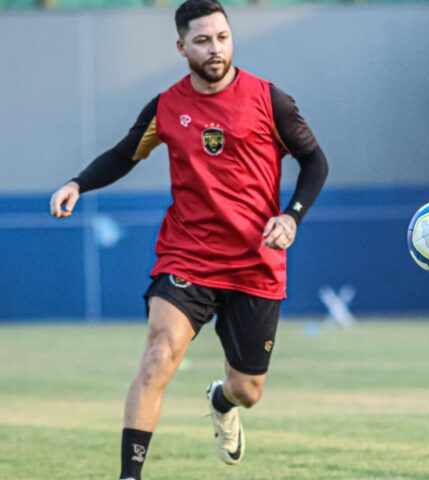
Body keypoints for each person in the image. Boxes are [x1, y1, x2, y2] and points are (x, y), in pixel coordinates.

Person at [48, 1, 328, 478]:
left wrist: (292, 217)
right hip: (188, 255)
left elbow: (315, 163)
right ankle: (128, 476)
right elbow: (123, 155)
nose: (215, 48)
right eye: (202, 40)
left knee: (249, 391)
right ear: (182, 47)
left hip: (254, 262)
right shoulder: (166, 106)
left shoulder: (269, 99)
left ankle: (222, 401)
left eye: (222, 37)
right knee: (158, 355)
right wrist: (78, 183)